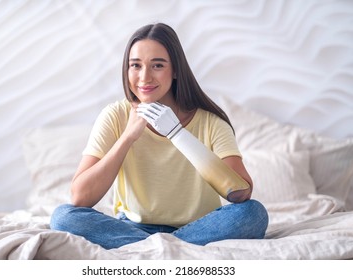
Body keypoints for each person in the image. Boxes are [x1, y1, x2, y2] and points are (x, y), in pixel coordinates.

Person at [50, 23, 268, 249]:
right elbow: (80, 198)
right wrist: (127, 137)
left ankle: (149, 248)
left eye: (157, 65)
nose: (144, 77)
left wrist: (177, 133)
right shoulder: (115, 115)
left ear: (175, 70)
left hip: (202, 226)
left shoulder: (211, 122)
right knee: (63, 217)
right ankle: (177, 248)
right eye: (136, 65)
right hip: (133, 228)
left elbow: (240, 193)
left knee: (254, 214)